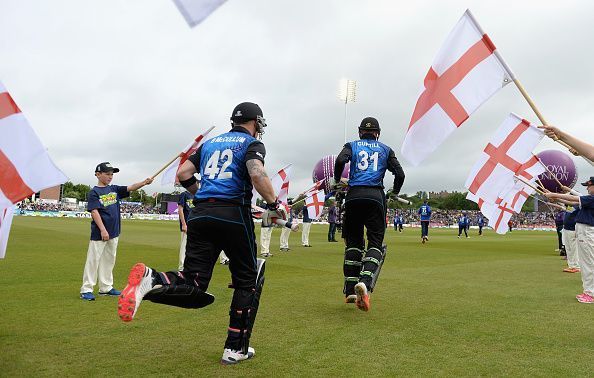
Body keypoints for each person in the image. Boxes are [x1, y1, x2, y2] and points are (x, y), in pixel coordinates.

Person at [117, 102, 284, 363]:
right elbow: (256, 172)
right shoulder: (252, 143)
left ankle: (151, 279)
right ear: (256, 122)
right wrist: (274, 204)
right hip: (233, 214)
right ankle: (235, 348)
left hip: (202, 213)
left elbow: (183, 173)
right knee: (247, 281)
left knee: (193, 281)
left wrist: (203, 193)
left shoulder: (210, 144)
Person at [333, 116, 405, 311]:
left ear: (359, 132)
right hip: (375, 196)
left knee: (354, 242)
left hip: (354, 196)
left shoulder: (352, 145)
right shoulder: (385, 149)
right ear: (378, 133)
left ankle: (349, 289)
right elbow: (400, 174)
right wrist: (395, 192)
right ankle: (364, 282)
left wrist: (336, 180)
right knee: (375, 242)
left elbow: (340, 160)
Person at [80, 162, 153, 301]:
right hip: (100, 233)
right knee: (93, 260)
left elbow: (130, 187)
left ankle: (106, 287)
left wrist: (144, 182)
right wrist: (102, 230)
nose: (110, 176)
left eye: (112, 174)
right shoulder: (94, 192)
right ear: (97, 174)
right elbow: (94, 212)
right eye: (107, 174)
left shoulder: (114, 189)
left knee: (109, 260)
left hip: (114, 232)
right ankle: (86, 289)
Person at [544, 176, 594, 303]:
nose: (587, 188)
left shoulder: (591, 199)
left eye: (589, 185)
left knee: (588, 263)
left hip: (587, 232)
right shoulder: (589, 200)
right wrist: (557, 198)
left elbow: (574, 199)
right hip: (586, 231)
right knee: (587, 262)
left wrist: (553, 194)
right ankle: (589, 291)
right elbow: (573, 203)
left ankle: (590, 293)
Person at [562, 205, 580, 273]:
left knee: (573, 248)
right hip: (566, 228)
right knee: (568, 248)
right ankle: (571, 265)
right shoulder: (571, 207)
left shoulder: (578, 206)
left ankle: (576, 266)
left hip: (573, 229)